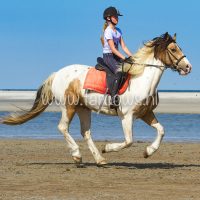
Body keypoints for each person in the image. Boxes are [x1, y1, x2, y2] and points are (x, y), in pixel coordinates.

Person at [101, 6, 132, 109]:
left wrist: (132, 56)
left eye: (117, 17)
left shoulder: (118, 30)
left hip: (116, 55)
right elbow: (113, 49)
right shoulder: (108, 31)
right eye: (115, 17)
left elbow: (123, 46)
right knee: (119, 71)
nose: (117, 19)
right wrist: (124, 58)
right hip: (108, 56)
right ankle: (113, 98)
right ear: (108, 18)